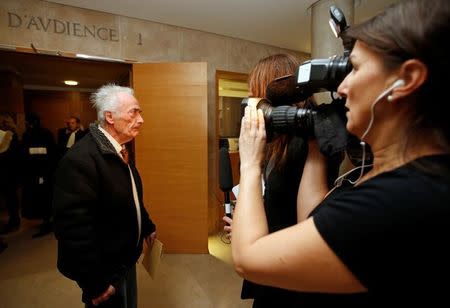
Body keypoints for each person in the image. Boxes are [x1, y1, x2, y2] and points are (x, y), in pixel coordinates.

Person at [231, 0, 450, 306]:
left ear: (407, 79)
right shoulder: (402, 177)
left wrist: (250, 163)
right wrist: (313, 139)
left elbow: (246, 258)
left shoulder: (402, 199)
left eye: (355, 68)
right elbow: (315, 218)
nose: (342, 88)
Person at [53, 84, 157, 308]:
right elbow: (73, 231)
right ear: (110, 117)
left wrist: (146, 225)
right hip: (104, 271)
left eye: (140, 112)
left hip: (124, 260)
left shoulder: (118, 148)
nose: (141, 120)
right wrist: (94, 283)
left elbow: (129, 194)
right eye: (134, 112)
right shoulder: (81, 160)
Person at [21, 112, 56, 238]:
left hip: (42, 173)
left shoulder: (44, 134)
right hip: (36, 173)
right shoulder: (31, 135)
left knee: (44, 197)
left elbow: (51, 154)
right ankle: (45, 220)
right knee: (39, 197)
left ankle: (47, 221)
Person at [0, 112, 21, 235]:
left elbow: (14, 157)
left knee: (11, 198)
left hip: (9, 173)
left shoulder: (10, 136)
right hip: (6, 172)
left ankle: (14, 220)